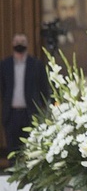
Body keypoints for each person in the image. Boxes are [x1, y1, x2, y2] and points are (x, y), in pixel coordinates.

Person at [0, 34, 50, 167]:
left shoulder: (36, 64)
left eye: (22, 41)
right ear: (12, 44)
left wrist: (44, 110)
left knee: (31, 150)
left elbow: (44, 89)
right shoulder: (5, 65)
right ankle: (13, 181)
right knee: (13, 151)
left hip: (31, 114)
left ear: (27, 44)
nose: (19, 44)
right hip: (11, 115)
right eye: (16, 41)